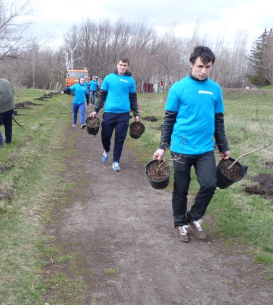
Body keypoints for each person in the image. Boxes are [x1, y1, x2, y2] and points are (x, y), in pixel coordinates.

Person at [152, 46, 230, 242]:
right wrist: (162, 146)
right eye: (200, 66)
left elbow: (218, 120)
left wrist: (223, 147)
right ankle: (180, 224)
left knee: (210, 184)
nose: (203, 71)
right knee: (181, 188)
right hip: (182, 148)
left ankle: (194, 217)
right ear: (191, 64)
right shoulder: (178, 88)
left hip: (205, 149)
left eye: (208, 67)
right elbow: (169, 120)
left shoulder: (215, 89)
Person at [90, 58, 139, 172]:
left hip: (123, 114)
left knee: (120, 138)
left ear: (127, 67)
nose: (122, 67)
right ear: (117, 65)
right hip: (109, 113)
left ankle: (116, 161)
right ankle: (106, 150)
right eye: (121, 65)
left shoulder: (130, 80)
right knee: (105, 136)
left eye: (125, 65)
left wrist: (136, 113)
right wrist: (96, 109)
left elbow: (133, 98)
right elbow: (102, 96)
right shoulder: (108, 78)